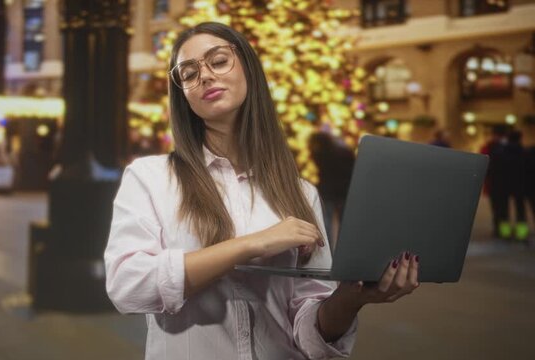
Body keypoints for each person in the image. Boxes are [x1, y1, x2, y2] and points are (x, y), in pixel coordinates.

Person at [104, 22, 419, 360]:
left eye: (218, 60)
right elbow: (127, 286)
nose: (205, 76)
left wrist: (350, 299)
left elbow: (310, 331)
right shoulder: (151, 178)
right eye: (189, 73)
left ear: (249, 68)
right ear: (182, 93)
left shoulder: (300, 193)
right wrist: (250, 244)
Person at [309, 131, 355, 250]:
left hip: (329, 191)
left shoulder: (319, 153)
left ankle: (327, 249)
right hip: (344, 191)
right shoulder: (344, 152)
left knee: (327, 223)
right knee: (345, 223)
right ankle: (343, 250)